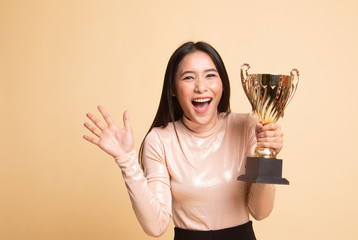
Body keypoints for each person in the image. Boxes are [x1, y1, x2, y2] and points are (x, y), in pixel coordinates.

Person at [83, 41, 283, 240]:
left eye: (210, 75)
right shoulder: (160, 140)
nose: (201, 87)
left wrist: (268, 157)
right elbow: (156, 226)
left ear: (222, 84)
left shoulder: (248, 126)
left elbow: (261, 211)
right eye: (188, 77)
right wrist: (126, 160)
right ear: (172, 88)